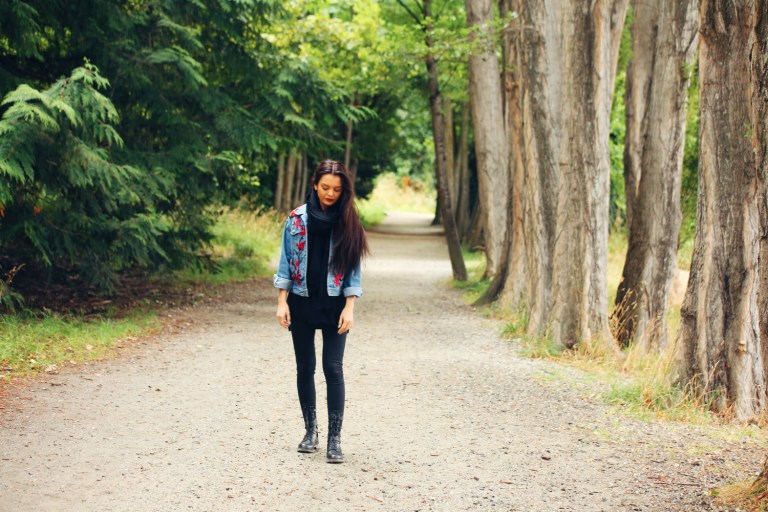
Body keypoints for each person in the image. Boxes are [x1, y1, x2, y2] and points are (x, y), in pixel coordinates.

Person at [273, 160, 369, 463]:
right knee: (305, 368)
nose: (330, 194)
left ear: (344, 191)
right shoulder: (296, 219)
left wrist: (350, 307)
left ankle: (334, 440)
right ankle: (310, 431)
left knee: (333, 369)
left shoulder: (348, 221)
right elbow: (286, 261)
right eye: (325, 187)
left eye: (337, 189)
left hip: (334, 304)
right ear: (315, 184)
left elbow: (353, 269)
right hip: (301, 301)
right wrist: (281, 301)